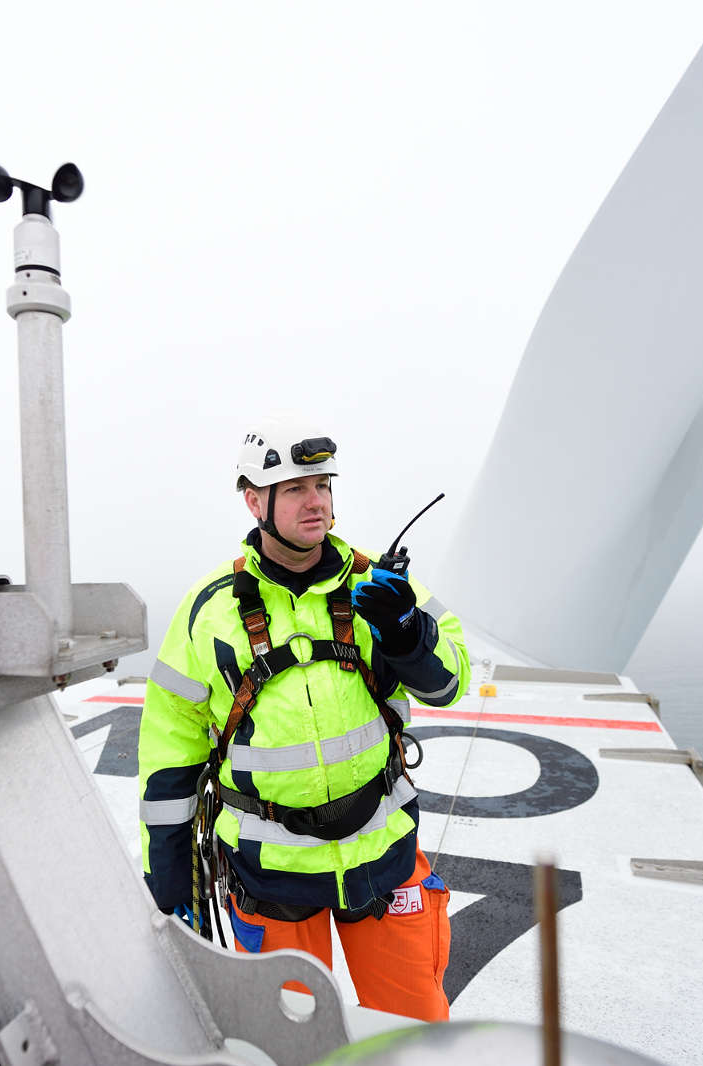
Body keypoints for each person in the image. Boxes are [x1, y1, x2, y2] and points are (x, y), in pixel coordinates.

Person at [137, 416, 470, 1021]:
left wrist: (405, 633)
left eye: (322, 484)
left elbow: (448, 684)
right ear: (253, 500)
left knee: (418, 1032)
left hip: (385, 855)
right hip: (271, 874)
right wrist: (170, 875)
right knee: (287, 1043)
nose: (315, 501)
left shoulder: (384, 587)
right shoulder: (207, 612)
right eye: (294, 489)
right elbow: (170, 752)